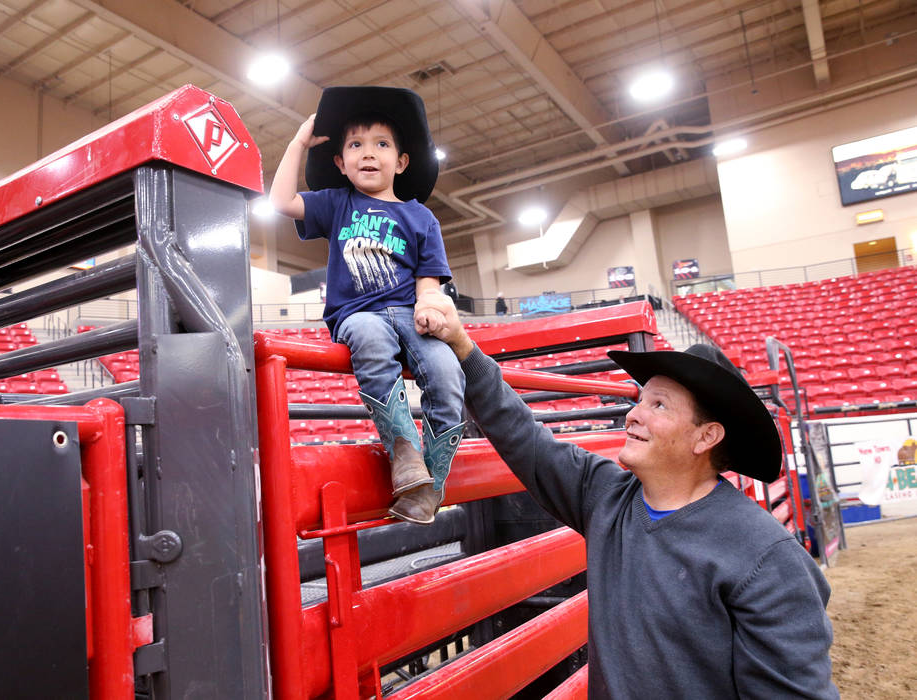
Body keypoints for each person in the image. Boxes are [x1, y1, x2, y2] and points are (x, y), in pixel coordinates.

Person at [413, 291, 838, 698]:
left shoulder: (767, 558)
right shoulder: (605, 497)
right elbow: (525, 439)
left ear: (706, 436)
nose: (632, 414)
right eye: (639, 400)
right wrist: (463, 346)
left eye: (659, 406)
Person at [270, 87, 465, 525]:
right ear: (340, 162)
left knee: (449, 373)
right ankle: (404, 453)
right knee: (373, 342)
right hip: (358, 315)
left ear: (401, 161)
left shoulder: (421, 217)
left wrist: (430, 305)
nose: (368, 153)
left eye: (381, 144)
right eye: (355, 145)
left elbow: (429, 283)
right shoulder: (337, 203)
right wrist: (298, 142)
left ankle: (430, 486)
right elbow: (280, 202)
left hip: (411, 316)